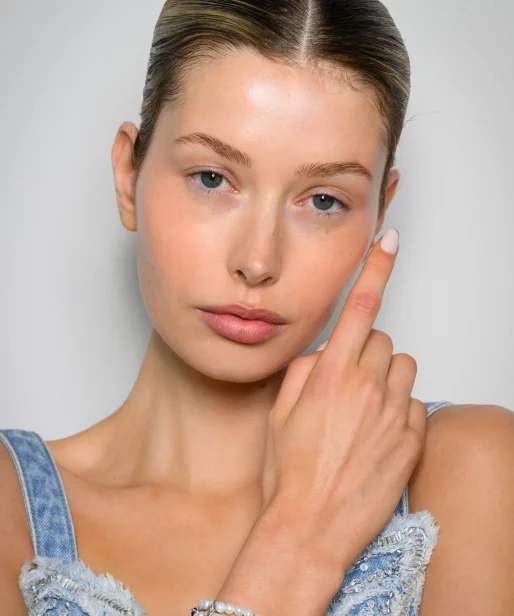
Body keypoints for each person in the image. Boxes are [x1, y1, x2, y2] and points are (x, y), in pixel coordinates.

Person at [1, 1, 513, 614]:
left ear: (381, 210)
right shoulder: (10, 504)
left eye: (323, 200)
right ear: (127, 176)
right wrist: (300, 540)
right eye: (212, 179)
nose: (258, 260)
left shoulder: (472, 469)